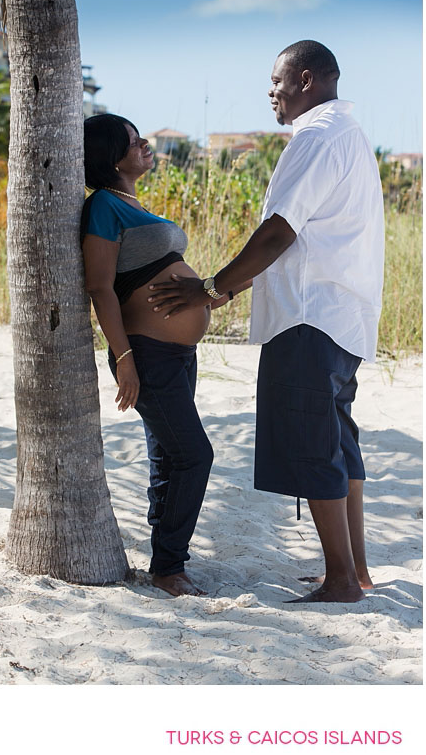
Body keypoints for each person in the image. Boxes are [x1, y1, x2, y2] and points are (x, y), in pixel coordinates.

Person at [148, 40, 384, 604]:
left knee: (316, 445)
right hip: (342, 317)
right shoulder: (350, 135)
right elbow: (307, 238)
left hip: (309, 318)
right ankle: (358, 569)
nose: (270, 94)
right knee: (340, 441)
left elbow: (280, 231)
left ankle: (342, 581)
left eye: (276, 83)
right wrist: (228, 293)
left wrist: (211, 287)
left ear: (304, 79)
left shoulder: (316, 137)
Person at [80, 114, 246, 597]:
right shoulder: (105, 207)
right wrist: (124, 357)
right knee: (195, 455)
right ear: (111, 157)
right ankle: (170, 566)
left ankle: (163, 556)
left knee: (170, 458)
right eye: (133, 142)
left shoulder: (132, 204)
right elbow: (100, 287)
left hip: (177, 355)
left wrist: (227, 291)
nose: (145, 144)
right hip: (146, 353)